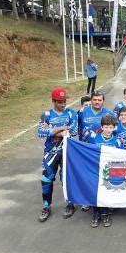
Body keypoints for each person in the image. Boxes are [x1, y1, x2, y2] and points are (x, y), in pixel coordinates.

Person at [37, 87, 78, 223]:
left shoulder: (71, 113)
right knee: (46, 179)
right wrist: (61, 129)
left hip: (67, 152)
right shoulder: (47, 115)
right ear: (53, 101)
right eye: (60, 102)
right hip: (50, 152)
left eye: (64, 101)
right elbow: (41, 132)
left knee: (66, 178)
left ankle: (70, 204)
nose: (63, 104)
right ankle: (46, 207)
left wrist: (53, 131)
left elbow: (73, 131)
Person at [89, 115, 122, 228]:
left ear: (114, 128)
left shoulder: (117, 141)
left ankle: (105, 213)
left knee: (107, 191)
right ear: (102, 127)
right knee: (95, 191)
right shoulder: (94, 138)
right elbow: (89, 153)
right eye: (106, 127)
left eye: (111, 127)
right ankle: (96, 213)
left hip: (110, 171)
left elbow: (121, 157)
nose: (108, 130)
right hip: (96, 169)